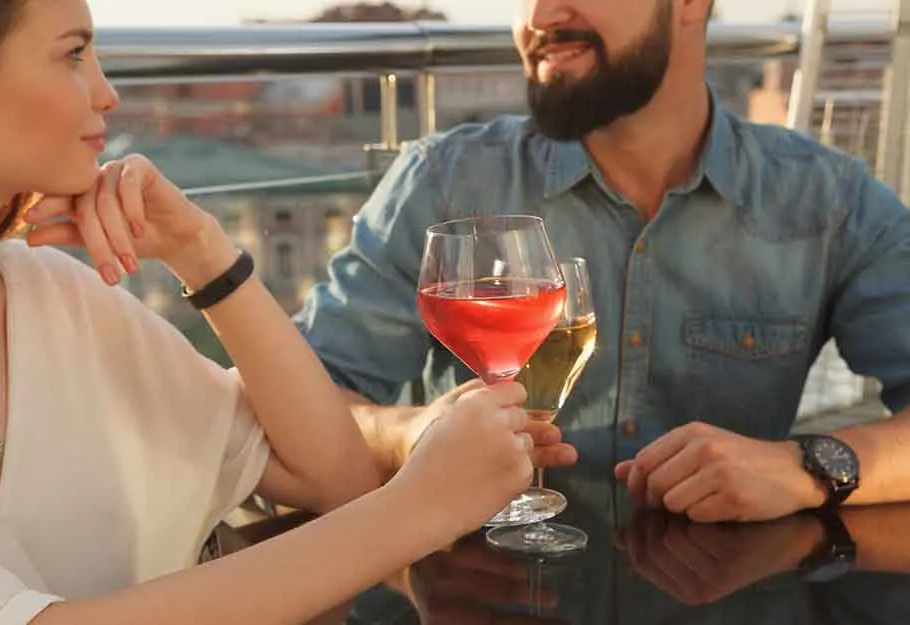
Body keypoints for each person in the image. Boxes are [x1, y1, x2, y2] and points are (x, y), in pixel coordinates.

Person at [0, 1, 551, 623]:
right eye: (73, 54)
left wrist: (203, 254)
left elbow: (332, 477)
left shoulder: (57, 296)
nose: (107, 94)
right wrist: (420, 508)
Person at [295, 0, 910, 524]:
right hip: (479, 591)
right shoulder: (443, 183)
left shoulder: (827, 201)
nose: (537, 17)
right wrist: (410, 437)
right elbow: (296, 404)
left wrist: (808, 467)